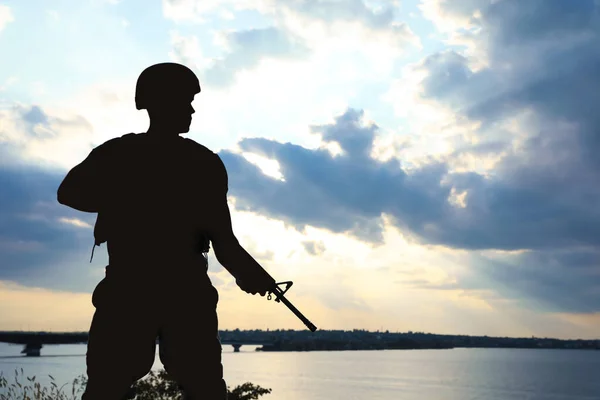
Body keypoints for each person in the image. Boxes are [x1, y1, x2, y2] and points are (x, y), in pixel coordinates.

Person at [57, 62, 276, 400]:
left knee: (110, 386)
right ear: (157, 102)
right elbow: (225, 243)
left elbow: (68, 192)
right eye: (184, 100)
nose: (191, 109)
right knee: (198, 388)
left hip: (136, 290)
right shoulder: (202, 163)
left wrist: (253, 275)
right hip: (170, 293)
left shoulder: (119, 154)